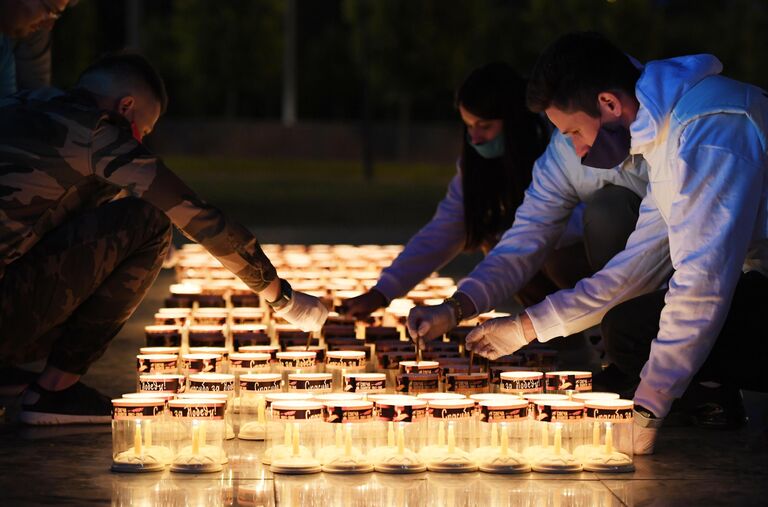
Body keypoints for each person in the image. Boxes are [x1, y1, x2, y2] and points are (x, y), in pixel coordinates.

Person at [463, 32, 768, 454]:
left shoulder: (709, 129)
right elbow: (633, 269)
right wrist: (526, 327)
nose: (576, 148)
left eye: (573, 132)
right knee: (627, 327)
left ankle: (710, 391)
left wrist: (646, 409)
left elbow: (702, 284)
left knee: (637, 329)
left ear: (608, 104)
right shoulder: (665, 140)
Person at [0, 53, 328, 425]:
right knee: (152, 221)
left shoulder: (23, 103)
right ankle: (53, 392)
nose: (138, 142)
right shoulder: (96, 129)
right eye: (142, 131)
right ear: (126, 107)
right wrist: (281, 297)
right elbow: (194, 214)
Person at [344, 63, 647, 332]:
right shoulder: (481, 169)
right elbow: (444, 230)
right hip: (548, 258)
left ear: (514, 121)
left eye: (485, 126)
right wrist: (387, 291)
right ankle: (563, 347)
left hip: (604, 263)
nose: (474, 138)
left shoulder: (565, 149)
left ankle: (615, 330)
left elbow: (543, 233)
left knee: (566, 234)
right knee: (509, 247)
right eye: (469, 127)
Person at [0, 0, 69, 96]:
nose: (49, 26)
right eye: (49, 10)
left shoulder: (4, 51)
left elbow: (8, 107)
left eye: (55, 16)